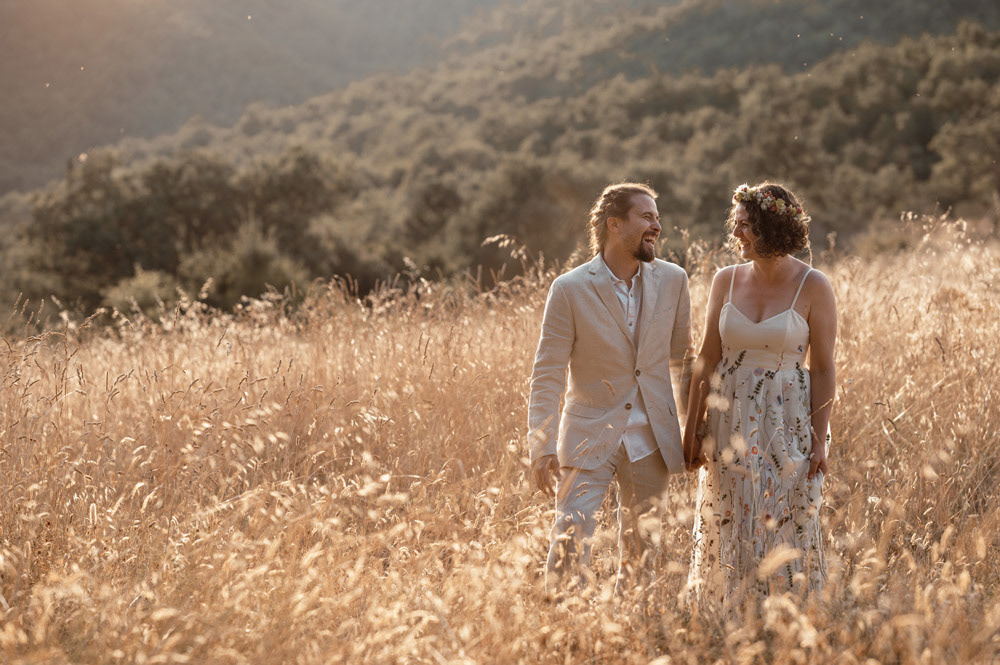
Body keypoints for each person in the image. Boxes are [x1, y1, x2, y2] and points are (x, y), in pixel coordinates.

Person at [527, 182, 693, 595]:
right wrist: (541, 443)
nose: (657, 225)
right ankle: (561, 627)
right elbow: (547, 371)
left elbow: (683, 362)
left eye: (657, 216)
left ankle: (628, 632)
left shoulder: (674, 280)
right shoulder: (569, 288)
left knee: (642, 550)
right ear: (614, 225)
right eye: (647, 216)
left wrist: (694, 429)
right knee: (570, 531)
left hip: (653, 437)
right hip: (588, 433)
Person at [683, 182, 836, 606]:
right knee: (733, 514)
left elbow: (822, 368)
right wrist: (692, 429)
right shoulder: (725, 281)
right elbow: (706, 359)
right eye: (736, 225)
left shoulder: (814, 285)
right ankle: (734, 611)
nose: (736, 235)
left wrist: (820, 439)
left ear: (771, 227)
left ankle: (789, 614)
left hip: (786, 418)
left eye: (745, 225)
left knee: (783, 517)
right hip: (728, 415)